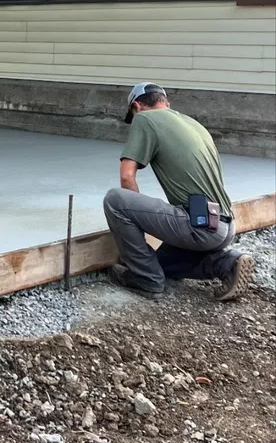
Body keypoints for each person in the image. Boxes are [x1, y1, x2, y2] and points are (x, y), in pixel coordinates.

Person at [103, 81, 254, 302]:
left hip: (198, 226)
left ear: (137, 106)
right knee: (162, 263)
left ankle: (146, 280)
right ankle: (227, 264)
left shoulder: (145, 119)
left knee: (116, 201)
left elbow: (127, 176)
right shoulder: (193, 124)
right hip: (224, 225)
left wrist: (135, 227)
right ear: (166, 102)